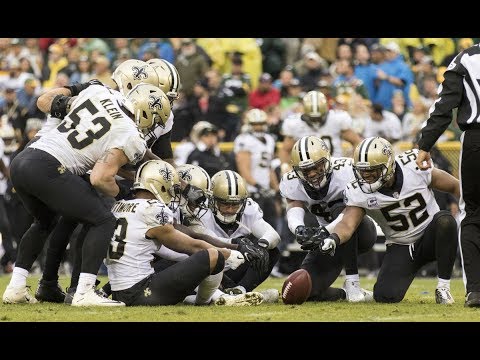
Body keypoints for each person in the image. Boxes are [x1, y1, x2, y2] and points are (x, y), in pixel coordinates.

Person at [2, 82, 170, 306]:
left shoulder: (99, 92)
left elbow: (45, 101)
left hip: (24, 159)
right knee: (103, 220)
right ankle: (84, 291)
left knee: (44, 222)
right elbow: (100, 178)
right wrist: (121, 192)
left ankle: (16, 287)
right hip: (49, 166)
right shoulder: (131, 135)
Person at [317, 137, 459, 304]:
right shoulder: (358, 191)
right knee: (386, 296)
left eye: (372, 170)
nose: (366, 176)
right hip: (401, 247)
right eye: (362, 171)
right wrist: (334, 238)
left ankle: (443, 288)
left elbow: (455, 187)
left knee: (445, 221)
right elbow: (348, 223)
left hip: (431, 237)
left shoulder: (413, 165)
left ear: (389, 165)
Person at [105, 159, 264, 306]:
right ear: (160, 184)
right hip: (141, 290)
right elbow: (189, 245)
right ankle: (208, 301)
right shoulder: (153, 209)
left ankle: (219, 296)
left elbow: (181, 243)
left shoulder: (121, 206)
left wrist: (229, 248)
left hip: (121, 290)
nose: (174, 192)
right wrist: (227, 253)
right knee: (212, 256)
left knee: (209, 254)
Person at [416, 43, 480, 307]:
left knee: (473, 214)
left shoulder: (466, 57)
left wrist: (424, 145)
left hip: (476, 140)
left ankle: (476, 290)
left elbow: (444, 106)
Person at [280, 135, 376, 302]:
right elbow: (294, 208)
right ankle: (345, 294)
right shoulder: (291, 182)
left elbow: (352, 213)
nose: (312, 174)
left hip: (360, 232)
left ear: (327, 160)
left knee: (339, 208)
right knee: (304, 290)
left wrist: (325, 230)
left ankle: (353, 283)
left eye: (316, 167)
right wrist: (299, 229)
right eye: (305, 170)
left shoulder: (347, 170)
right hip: (325, 240)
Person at [188, 170, 281, 295]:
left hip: (234, 265)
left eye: (235, 204)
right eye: (225, 204)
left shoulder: (249, 209)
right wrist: (237, 244)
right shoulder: (201, 211)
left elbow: (272, 235)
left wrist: (261, 246)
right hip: (209, 267)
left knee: (271, 251)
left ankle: (241, 290)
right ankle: (222, 291)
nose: (230, 210)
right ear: (212, 200)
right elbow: (206, 239)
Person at [279, 90, 362, 166]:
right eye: (312, 118)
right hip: (308, 170)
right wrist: (285, 166)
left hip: (334, 167)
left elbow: (357, 142)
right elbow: (285, 150)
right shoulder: (294, 123)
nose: (316, 121)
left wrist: (353, 162)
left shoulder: (337, 119)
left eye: (319, 118)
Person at [234, 108, 278, 228]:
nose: (258, 127)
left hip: (266, 190)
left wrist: (276, 188)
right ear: (249, 125)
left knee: (271, 225)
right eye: (255, 124)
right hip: (251, 191)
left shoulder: (269, 140)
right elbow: (243, 169)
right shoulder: (244, 140)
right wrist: (258, 187)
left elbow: (269, 168)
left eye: (261, 124)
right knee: (253, 228)